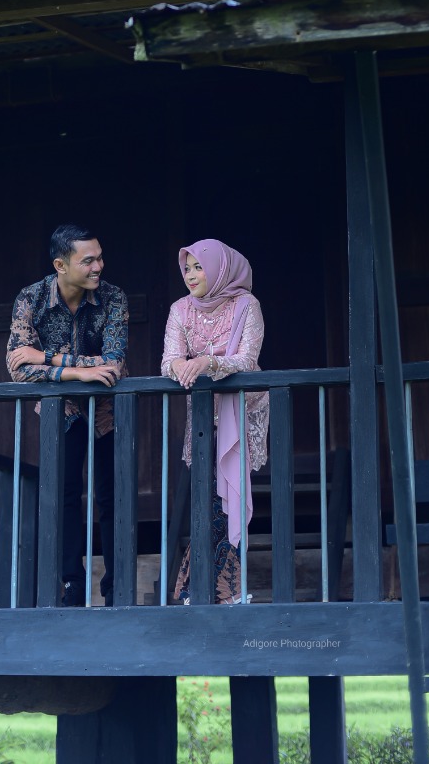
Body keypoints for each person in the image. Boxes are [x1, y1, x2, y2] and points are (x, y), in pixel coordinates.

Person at [7, 224, 128, 606]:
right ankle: (72, 586)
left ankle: (117, 588)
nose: (98, 267)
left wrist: (46, 357)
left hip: (109, 410)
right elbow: (16, 368)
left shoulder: (114, 297)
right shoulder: (31, 298)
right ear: (61, 265)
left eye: (100, 258)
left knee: (112, 496)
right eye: (88, 260)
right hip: (60, 411)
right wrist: (79, 372)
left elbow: (113, 363)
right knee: (65, 495)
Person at [161, 238, 269, 604]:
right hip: (205, 413)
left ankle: (207, 590)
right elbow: (169, 361)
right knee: (208, 497)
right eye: (187, 268)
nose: (190, 275)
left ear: (220, 269)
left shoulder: (246, 305)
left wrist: (208, 362)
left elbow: (247, 360)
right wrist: (180, 365)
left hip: (241, 410)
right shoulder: (180, 309)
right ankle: (207, 590)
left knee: (229, 493)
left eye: (199, 267)